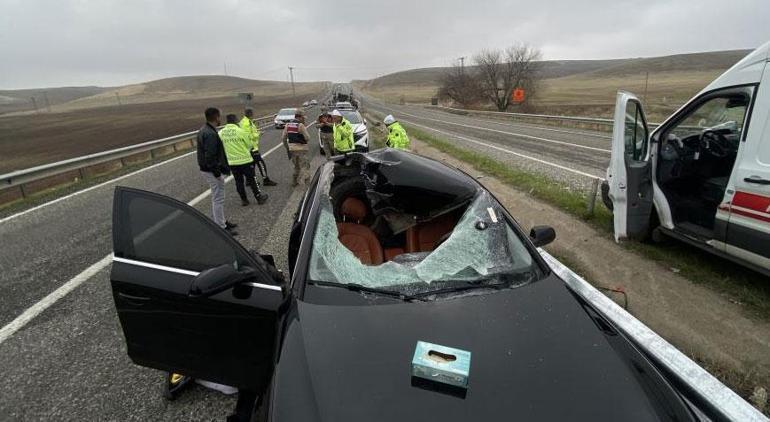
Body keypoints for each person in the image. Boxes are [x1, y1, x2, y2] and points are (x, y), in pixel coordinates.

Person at [196, 107, 238, 236]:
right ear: (216, 117)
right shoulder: (210, 133)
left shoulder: (205, 130)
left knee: (218, 197)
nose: (220, 118)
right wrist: (217, 173)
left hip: (207, 169)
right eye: (219, 116)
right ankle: (221, 227)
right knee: (218, 198)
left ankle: (222, 221)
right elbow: (210, 156)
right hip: (211, 171)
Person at [219, 114, 269, 206]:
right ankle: (259, 197)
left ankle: (244, 200)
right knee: (252, 179)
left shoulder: (221, 133)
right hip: (245, 160)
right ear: (235, 120)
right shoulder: (240, 131)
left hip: (232, 162)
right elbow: (249, 145)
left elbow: (220, 146)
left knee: (238, 181)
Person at [239, 108, 277, 186]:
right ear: (251, 114)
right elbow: (247, 136)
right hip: (252, 148)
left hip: (247, 148)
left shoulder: (243, 122)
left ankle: (249, 181)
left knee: (251, 165)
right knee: (261, 164)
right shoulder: (247, 123)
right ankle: (265, 179)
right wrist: (258, 134)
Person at [282, 109, 311, 187]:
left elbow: (283, 138)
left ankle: (294, 182)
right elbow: (308, 138)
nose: (304, 119)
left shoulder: (287, 125)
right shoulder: (300, 125)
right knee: (305, 166)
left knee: (296, 167)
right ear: (300, 117)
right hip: (302, 149)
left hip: (292, 149)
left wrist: (287, 147)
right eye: (303, 117)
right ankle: (305, 183)